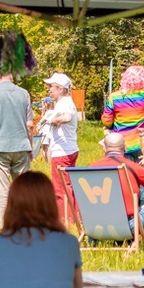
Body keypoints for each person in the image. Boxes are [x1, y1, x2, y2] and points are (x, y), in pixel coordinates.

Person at [0, 68, 37, 220]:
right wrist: (30, 146)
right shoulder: (24, 94)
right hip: (21, 147)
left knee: (2, 191)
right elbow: (30, 125)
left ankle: (5, 227)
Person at [89, 131, 144, 241]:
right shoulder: (133, 167)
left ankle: (95, 242)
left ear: (104, 149)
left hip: (94, 226)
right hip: (127, 226)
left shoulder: (90, 169)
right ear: (125, 148)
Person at [40, 72, 81, 215]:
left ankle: (65, 219)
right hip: (69, 149)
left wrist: (53, 120)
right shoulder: (64, 102)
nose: (49, 89)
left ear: (61, 89)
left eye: (52, 86)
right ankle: (75, 215)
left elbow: (67, 117)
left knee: (60, 188)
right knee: (68, 185)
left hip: (62, 152)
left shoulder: (64, 103)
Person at [102, 65, 144, 159]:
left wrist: (110, 125)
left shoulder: (114, 97)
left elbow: (106, 120)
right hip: (143, 141)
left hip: (122, 144)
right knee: (143, 167)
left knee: (124, 168)